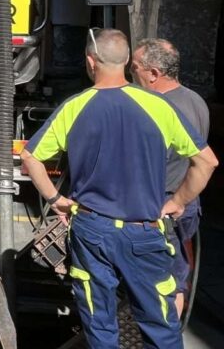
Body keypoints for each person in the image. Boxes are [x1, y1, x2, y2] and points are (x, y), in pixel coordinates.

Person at [20, 28, 218, 349]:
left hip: (91, 229)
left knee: (100, 324)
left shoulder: (74, 107)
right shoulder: (158, 106)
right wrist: (178, 202)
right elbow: (206, 162)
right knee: (160, 324)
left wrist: (55, 198)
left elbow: (30, 157)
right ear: (126, 61)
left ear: (90, 62)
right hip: (145, 230)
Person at [131, 37, 209, 319]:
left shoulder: (159, 108)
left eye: (135, 68)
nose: (132, 74)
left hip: (163, 205)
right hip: (187, 202)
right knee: (176, 275)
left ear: (153, 73)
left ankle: (165, 335)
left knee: (165, 283)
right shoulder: (196, 100)